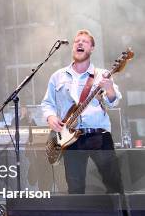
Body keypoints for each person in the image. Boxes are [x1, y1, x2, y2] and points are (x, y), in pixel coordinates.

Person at [41, 29, 122, 194]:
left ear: (91, 48)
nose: (79, 43)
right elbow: (47, 103)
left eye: (84, 41)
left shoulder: (102, 75)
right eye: (77, 41)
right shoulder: (58, 76)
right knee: (75, 188)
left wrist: (110, 89)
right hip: (70, 139)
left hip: (99, 136)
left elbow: (113, 101)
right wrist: (50, 117)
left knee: (113, 184)